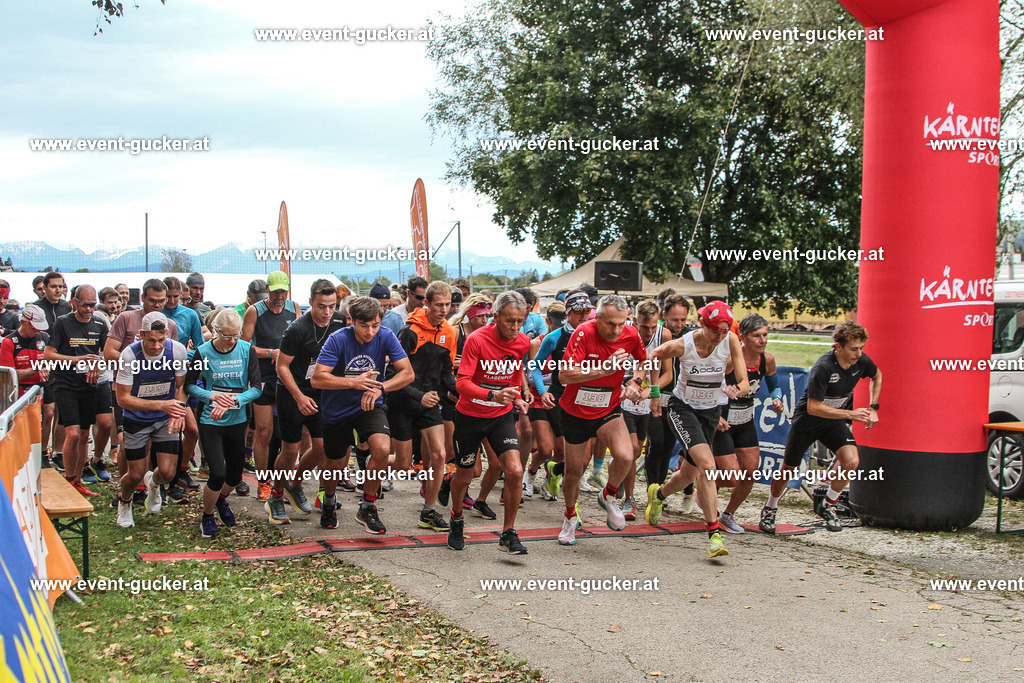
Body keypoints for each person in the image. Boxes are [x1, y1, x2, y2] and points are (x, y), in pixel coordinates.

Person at [645, 301, 748, 559]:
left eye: (724, 332)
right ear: (703, 325)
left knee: (688, 474)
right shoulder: (684, 344)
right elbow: (654, 355)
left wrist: (737, 389)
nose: (720, 338)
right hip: (683, 408)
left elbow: (744, 381)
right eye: (715, 332)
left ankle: (658, 494)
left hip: (711, 412)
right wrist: (655, 392)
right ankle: (714, 533)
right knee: (708, 466)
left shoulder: (731, 340)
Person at [759, 320, 881, 533]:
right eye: (854, 349)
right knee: (789, 468)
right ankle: (770, 507)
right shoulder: (823, 367)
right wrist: (850, 414)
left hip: (832, 421)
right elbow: (814, 408)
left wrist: (873, 407)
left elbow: (877, 376)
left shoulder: (861, 361)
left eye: (862, 348)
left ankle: (828, 505)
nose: (859, 353)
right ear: (839, 346)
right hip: (807, 421)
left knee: (851, 461)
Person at [311, 297, 414, 533]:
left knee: (381, 448)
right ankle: (328, 500)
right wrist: (353, 382)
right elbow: (318, 378)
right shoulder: (337, 340)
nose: (370, 332)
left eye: (375, 325)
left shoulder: (386, 335)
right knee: (335, 464)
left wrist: (381, 387)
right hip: (337, 408)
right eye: (364, 326)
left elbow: (407, 373)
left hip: (370, 402)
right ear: (352, 321)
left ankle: (368, 505)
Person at [555, 294, 648, 546]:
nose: (616, 330)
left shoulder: (630, 334)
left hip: (608, 408)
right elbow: (564, 375)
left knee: (627, 455)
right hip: (575, 412)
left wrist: (635, 382)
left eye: (621, 323)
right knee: (573, 472)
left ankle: (608, 494)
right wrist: (603, 369)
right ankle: (570, 515)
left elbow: (643, 361)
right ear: (597, 319)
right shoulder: (583, 333)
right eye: (610, 324)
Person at [446, 291, 532, 554]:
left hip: (500, 416)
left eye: (520, 321)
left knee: (515, 471)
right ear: (495, 317)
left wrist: (516, 396)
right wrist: (491, 394)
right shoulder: (477, 340)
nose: (515, 327)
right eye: (509, 321)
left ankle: (508, 533)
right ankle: (457, 517)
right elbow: (461, 383)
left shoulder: (523, 342)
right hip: (470, 416)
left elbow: (515, 375)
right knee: (465, 475)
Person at [265, 280, 346, 524]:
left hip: (320, 391)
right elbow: (281, 366)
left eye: (332, 306)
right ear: (310, 302)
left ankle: (295, 483)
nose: (327, 312)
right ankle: (276, 495)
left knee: (322, 447)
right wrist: (299, 396)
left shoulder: (340, 321)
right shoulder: (297, 329)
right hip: (293, 392)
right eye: (321, 306)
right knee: (289, 450)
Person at [386, 280, 458, 531]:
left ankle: (428, 511)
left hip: (430, 404)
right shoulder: (410, 332)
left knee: (439, 455)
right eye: (439, 304)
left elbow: (447, 372)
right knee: (403, 464)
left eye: (448, 305)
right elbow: (391, 374)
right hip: (403, 401)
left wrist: (460, 391)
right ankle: (372, 461)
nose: (444, 309)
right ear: (426, 303)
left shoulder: (449, 332)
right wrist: (419, 395)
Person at [185, 308, 263, 538]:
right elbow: (190, 385)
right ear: (215, 331)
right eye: (227, 335)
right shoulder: (202, 352)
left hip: (237, 419)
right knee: (217, 473)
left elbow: (257, 388)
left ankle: (221, 501)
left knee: (235, 476)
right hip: (210, 420)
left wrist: (234, 401)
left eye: (236, 335)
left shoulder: (247, 350)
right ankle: (207, 516)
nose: (231, 341)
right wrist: (212, 396)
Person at [112, 312, 189, 528]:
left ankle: (153, 483)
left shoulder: (177, 351)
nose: (156, 346)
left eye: (161, 340)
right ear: (141, 335)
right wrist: (161, 405)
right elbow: (122, 399)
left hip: (165, 417)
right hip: (137, 419)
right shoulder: (129, 355)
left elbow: (182, 387)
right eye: (151, 340)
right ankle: (124, 501)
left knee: (167, 472)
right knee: (135, 473)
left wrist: (178, 409)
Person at [711, 314, 784, 533]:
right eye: (756, 336)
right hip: (723, 422)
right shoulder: (732, 360)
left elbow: (774, 385)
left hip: (745, 421)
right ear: (742, 337)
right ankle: (704, 484)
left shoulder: (767, 360)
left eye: (765, 335)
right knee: (731, 476)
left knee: (750, 472)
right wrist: (716, 415)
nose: (762, 340)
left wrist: (777, 398)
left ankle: (727, 515)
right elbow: (712, 386)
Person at [43, 285, 108, 498]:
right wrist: (76, 360)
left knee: (83, 434)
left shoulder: (99, 323)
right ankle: (69, 479)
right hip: (66, 384)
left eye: (93, 304)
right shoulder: (63, 323)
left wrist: (97, 365)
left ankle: (77, 480)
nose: (89, 309)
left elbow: (107, 353)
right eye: (85, 305)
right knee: (71, 434)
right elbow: (49, 354)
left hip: (89, 386)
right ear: (74, 302)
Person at [530, 290, 593, 502]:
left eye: (587, 311)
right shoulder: (554, 338)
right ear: (568, 313)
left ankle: (554, 472)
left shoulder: (595, 334)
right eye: (578, 312)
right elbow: (535, 367)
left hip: (586, 398)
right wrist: (542, 391)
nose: (584, 316)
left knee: (584, 460)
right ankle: (567, 499)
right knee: (559, 448)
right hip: (560, 396)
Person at [241, 270, 299, 501]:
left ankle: (281, 483)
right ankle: (263, 482)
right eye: (275, 292)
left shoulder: (293, 308)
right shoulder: (254, 311)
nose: (279, 296)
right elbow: (244, 346)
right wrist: (270, 352)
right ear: (268, 290)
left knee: (289, 433)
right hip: (263, 375)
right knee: (264, 431)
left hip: (287, 375)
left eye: (283, 291)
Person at [618, 299, 665, 520]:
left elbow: (667, 374)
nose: (649, 332)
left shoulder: (663, 338)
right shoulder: (623, 334)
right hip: (622, 400)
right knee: (633, 449)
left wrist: (650, 393)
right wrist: (629, 385)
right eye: (644, 327)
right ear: (635, 321)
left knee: (634, 453)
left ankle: (616, 470)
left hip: (644, 402)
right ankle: (629, 499)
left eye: (653, 327)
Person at [643, 294, 691, 505]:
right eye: (674, 319)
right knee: (657, 442)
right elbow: (661, 371)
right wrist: (650, 392)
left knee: (669, 445)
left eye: (683, 320)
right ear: (665, 315)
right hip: (655, 396)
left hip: (679, 400)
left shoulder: (692, 336)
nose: (679, 324)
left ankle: (661, 491)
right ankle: (652, 487)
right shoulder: (661, 333)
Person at [162, 276, 205, 492]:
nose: (170, 301)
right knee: (167, 430)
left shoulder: (190, 315)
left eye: (175, 297)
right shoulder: (157, 315)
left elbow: (200, 348)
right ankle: (163, 476)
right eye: (167, 297)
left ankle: (181, 470)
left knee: (192, 430)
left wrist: (184, 354)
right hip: (160, 379)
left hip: (183, 378)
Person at [524, 300, 566, 498]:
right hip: (539, 397)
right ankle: (531, 472)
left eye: (563, 325)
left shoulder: (569, 339)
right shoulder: (537, 343)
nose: (559, 329)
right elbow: (532, 373)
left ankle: (549, 482)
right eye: (556, 325)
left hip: (560, 397)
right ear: (548, 321)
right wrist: (557, 376)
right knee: (544, 448)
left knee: (561, 448)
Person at [1, 303, 49, 400]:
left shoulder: (45, 337)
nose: (37, 331)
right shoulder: (9, 342)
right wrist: (36, 369)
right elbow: (7, 376)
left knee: (49, 412)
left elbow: (56, 361)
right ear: (23, 322)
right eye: (33, 328)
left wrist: (48, 366)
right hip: (19, 390)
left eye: (39, 328)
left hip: (44, 386)